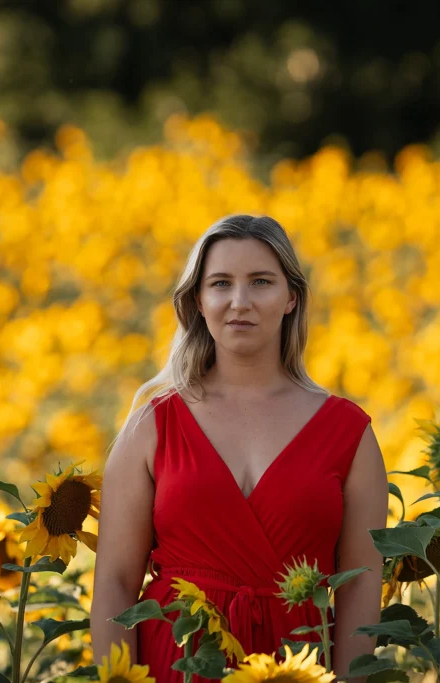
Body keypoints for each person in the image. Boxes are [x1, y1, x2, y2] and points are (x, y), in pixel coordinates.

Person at [90, 213, 388, 680]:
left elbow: (361, 590)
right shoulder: (152, 424)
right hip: (177, 662)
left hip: (298, 667)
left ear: (291, 297)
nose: (239, 302)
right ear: (198, 301)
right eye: (221, 283)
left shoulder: (350, 433)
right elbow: (114, 583)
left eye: (261, 282)